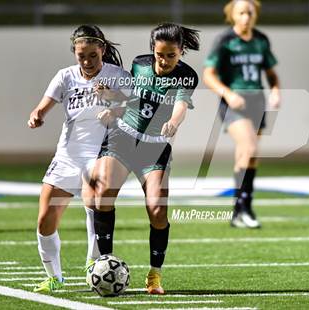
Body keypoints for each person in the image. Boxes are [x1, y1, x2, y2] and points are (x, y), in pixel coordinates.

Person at [87, 22, 199, 295]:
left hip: (155, 147)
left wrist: (173, 122)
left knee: (158, 211)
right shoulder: (139, 66)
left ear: (181, 52)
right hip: (124, 137)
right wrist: (110, 100)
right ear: (153, 51)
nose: (164, 61)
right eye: (160, 55)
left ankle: (154, 276)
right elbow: (130, 98)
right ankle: (105, 262)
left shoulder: (187, 77)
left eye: (171, 55)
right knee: (102, 194)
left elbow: (181, 106)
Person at [28, 24, 131, 293]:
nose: (87, 62)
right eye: (81, 56)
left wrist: (111, 98)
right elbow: (43, 105)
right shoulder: (65, 76)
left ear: (103, 51)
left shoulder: (118, 76)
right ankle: (54, 276)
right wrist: (37, 115)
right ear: (74, 54)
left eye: (93, 56)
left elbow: (132, 108)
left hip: (101, 152)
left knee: (93, 202)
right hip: (68, 154)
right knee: (45, 219)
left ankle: (92, 264)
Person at [203, 0, 280, 228]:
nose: (246, 17)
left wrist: (275, 90)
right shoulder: (225, 41)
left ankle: (239, 210)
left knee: (248, 156)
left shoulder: (261, 40)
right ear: (232, 15)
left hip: (257, 101)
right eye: (241, 13)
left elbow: (271, 73)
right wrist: (227, 93)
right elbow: (209, 75)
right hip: (234, 103)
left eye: (250, 12)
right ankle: (245, 208)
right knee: (250, 148)